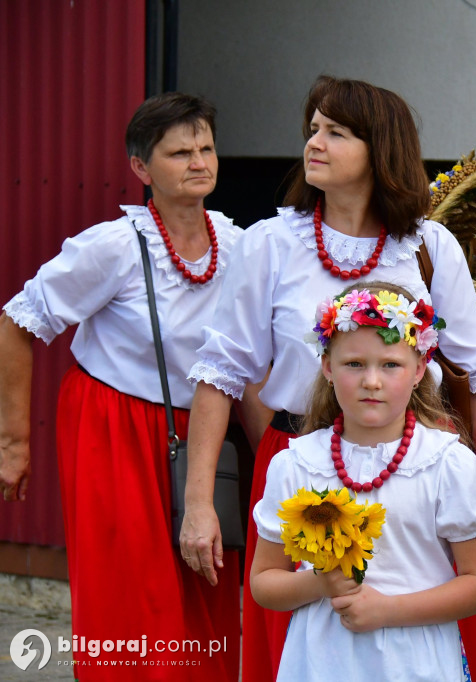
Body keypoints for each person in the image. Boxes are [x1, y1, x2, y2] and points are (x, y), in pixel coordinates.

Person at [181, 76, 476, 682]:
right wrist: (199, 503)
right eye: (312, 129)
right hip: (299, 464)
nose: (315, 141)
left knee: (420, 643)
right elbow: (221, 374)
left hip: (416, 467)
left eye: (336, 131)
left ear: (380, 148)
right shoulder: (270, 243)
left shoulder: (429, 246)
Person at [0, 93, 242, 679]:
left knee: (206, 582)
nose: (198, 162)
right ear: (141, 168)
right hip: (111, 427)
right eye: (179, 151)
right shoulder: (113, 247)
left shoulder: (238, 244)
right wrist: (13, 443)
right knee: (132, 591)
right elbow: (16, 322)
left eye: (206, 147)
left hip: (203, 434)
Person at [250, 283, 476, 681]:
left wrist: (387, 610)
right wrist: (321, 583)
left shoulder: (447, 463)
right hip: (320, 663)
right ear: (328, 367)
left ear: (419, 369)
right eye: (354, 364)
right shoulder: (295, 464)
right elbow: (264, 583)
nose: (371, 380)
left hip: (416, 664)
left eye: (390, 365)